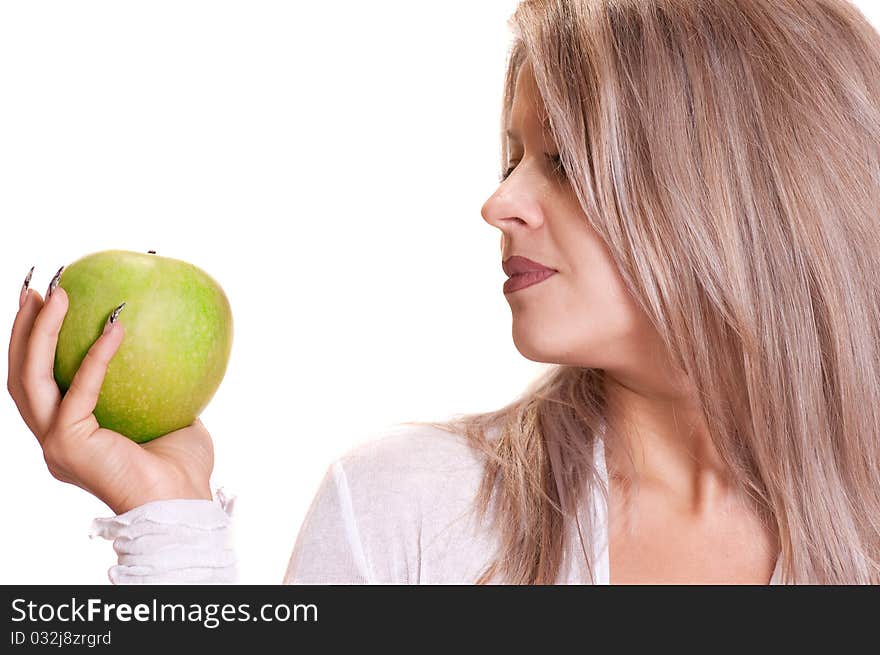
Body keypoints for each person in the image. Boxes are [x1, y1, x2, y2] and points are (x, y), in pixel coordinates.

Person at [8, 0, 880, 585]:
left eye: (566, 163)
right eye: (511, 157)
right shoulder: (409, 505)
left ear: (748, 193)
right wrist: (169, 526)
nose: (499, 202)